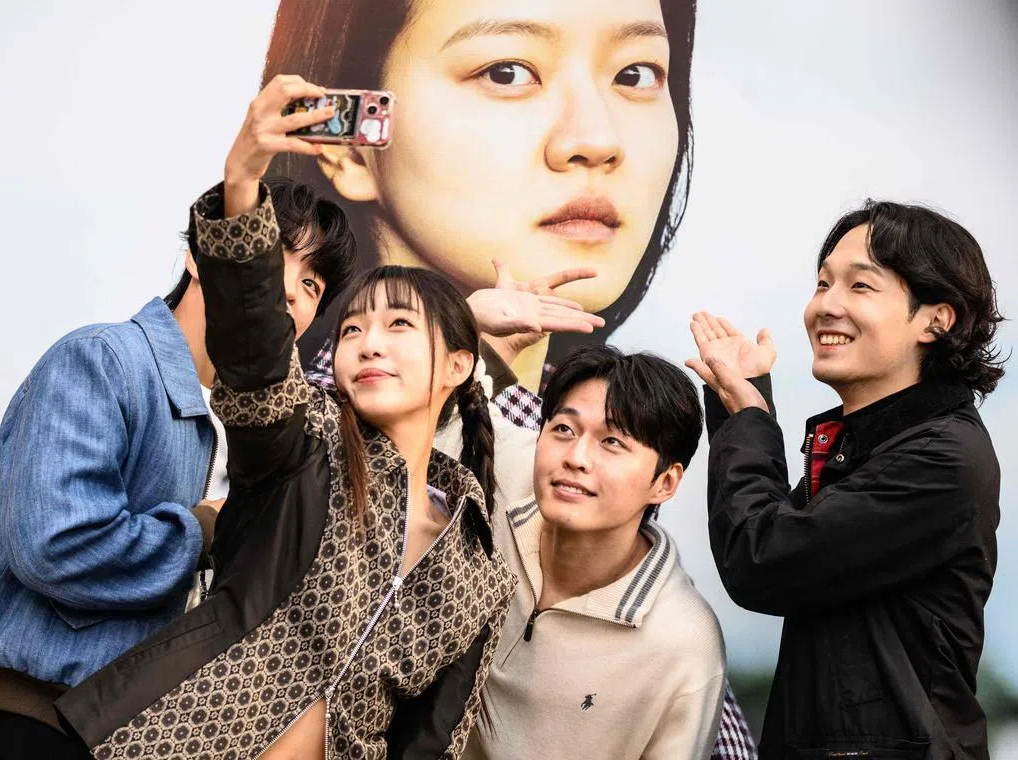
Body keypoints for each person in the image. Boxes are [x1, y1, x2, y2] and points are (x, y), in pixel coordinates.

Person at [56, 75, 517, 760]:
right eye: (353, 328)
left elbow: (431, 741)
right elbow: (255, 348)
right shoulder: (306, 440)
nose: (368, 343)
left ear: (455, 366)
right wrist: (242, 181)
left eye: (397, 325)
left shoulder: (480, 569)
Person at [0, 86, 355, 758]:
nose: (291, 287)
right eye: (278, 254)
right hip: (48, 723)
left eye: (314, 283)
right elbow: (56, 545)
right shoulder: (103, 362)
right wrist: (203, 529)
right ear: (204, 254)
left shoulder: (266, 426)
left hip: (161, 738)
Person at [687, 201, 1005, 759]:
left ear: (937, 318)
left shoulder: (944, 458)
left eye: (860, 287)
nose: (825, 306)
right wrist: (747, 405)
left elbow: (763, 558)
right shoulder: (872, 441)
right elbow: (779, 539)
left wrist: (748, 419)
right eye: (822, 283)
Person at [263, 0, 697, 393]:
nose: (598, 140)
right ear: (350, 148)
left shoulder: (606, 441)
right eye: (506, 72)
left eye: (635, 74)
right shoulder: (286, 428)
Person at [439, 346, 726, 760]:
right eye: (563, 430)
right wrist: (478, 331)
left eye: (612, 442)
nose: (575, 458)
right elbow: (426, 412)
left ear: (664, 482)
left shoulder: (682, 642)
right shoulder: (498, 474)